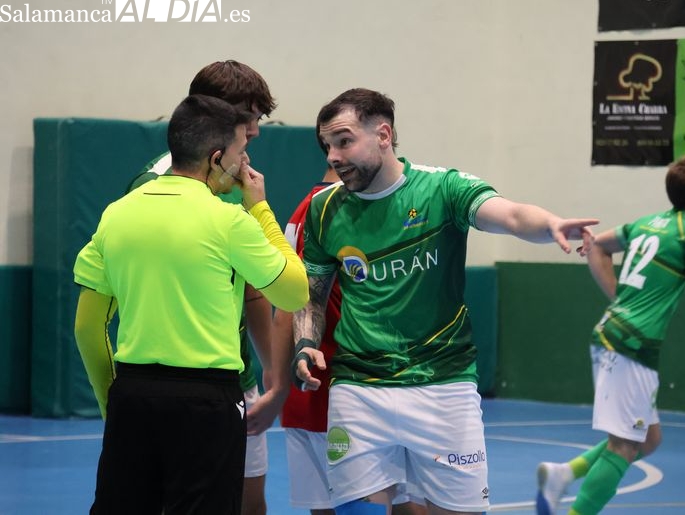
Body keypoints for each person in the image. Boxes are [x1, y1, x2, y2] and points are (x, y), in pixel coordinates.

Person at [291, 88, 597, 514]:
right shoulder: (324, 209)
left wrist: (551, 225)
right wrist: (305, 343)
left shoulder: (442, 189)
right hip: (360, 388)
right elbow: (312, 294)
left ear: (383, 135)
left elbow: (510, 215)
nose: (334, 156)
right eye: (327, 145)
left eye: (344, 141)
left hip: (443, 384)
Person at [73, 94, 309, 514]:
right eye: (241, 152)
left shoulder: (116, 214)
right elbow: (294, 292)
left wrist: (115, 406)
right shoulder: (229, 220)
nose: (245, 164)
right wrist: (260, 208)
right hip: (207, 402)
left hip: (132, 395)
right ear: (217, 158)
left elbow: (88, 329)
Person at [535, 155, 685, 515]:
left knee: (648, 438)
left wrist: (621, 300)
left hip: (616, 336)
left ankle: (564, 474)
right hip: (630, 346)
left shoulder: (648, 223)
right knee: (625, 447)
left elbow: (597, 246)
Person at [126, 60, 280, 515]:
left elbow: (253, 286)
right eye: (249, 117)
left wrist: (272, 373)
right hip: (172, 384)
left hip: (233, 380)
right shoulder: (151, 187)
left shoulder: (238, 181)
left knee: (250, 503)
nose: (255, 130)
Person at [260, 164, 426, 515]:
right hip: (343, 396)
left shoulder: (306, 208)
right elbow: (294, 306)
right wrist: (279, 388)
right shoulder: (332, 210)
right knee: (405, 505)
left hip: (328, 398)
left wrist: (278, 387)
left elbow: (284, 310)